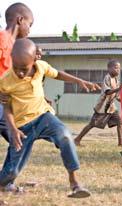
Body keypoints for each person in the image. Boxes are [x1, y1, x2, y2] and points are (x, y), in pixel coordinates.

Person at [0, 38, 100, 197]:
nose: (19, 73)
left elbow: (58, 74)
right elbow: (7, 108)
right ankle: (5, 184)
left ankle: (75, 183)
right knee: (9, 174)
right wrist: (12, 129)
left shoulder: (41, 67)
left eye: (24, 69)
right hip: (21, 128)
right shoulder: (5, 81)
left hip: (43, 117)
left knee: (65, 136)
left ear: (34, 60)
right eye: (16, 67)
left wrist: (79, 81)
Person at [0, 3, 34, 143]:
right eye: (29, 25)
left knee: (20, 140)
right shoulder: (2, 40)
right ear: (20, 20)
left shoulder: (16, 48)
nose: (29, 31)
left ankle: (11, 166)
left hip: (6, 103)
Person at [74, 59, 122, 146]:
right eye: (116, 68)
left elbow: (116, 95)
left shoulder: (116, 80)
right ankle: (77, 139)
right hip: (103, 106)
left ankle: (121, 142)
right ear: (109, 68)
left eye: (119, 68)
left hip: (111, 107)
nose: (118, 70)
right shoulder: (107, 78)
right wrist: (118, 88)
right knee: (92, 124)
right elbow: (107, 92)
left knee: (120, 122)